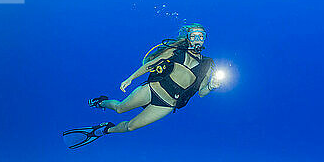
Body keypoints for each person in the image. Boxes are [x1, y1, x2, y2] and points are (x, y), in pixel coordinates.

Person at [63, 23, 221, 149]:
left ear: (205, 39)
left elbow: (201, 92)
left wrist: (211, 86)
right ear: (188, 38)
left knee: (131, 127)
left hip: (166, 104)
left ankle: (104, 129)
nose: (198, 38)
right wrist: (130, 78)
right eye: (194, 36)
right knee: (120, 108)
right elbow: (150, 65)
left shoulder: (207, 64)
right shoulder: (175, 51)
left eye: (201, 36)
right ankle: (101, 102)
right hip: (152, 89)